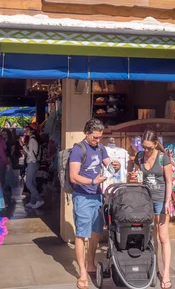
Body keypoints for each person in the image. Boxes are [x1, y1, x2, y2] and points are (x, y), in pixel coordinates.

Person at [69, 118, 121, 289]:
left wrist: (116, 165)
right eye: (95, 137)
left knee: (96, 232)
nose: (98, 140)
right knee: (81, 234)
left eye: (100, 137)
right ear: (87, 133)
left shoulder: (100, 148)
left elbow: (110, 167)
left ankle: (90, 263)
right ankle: (82, 272)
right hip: (82, 196)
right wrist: (92, 181)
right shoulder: (78, 150)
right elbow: (73, 176)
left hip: (97, 196)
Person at [129, 130, 173, 289]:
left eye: (149, 148)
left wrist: (167, 202)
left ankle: (166, 273)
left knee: (163, 237)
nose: (146, 150)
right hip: (144, 200)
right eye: (144, 147)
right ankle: (154, 267)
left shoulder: (163, 158)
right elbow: (135, 177)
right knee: (150, 237)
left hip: (160, 200)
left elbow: (169, 182)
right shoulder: (139, 157)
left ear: (155, 144)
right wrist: (133, 178)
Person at [21, 126, 43, 209]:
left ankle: (39, 199)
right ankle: (33, 201)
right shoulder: (34, 139)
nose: (25, 131)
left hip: (32, 162)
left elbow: (31, 154)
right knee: (32, 182)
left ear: (31, 131)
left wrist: (23, 146)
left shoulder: (32, 140)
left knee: (28, 183)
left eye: (27, 129)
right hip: (34, 162)